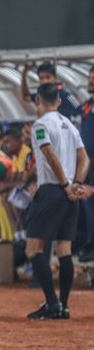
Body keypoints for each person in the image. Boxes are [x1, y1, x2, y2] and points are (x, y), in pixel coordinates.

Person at [26, 83, 89, 320]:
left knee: (33, 248)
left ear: (38, 101)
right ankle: (63, 305)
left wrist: (64, 184)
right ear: (60, 102)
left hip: (52, 191)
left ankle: (52, 303)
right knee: (64, 250)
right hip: (70, 193)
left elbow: (48, 154)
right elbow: (84, 159)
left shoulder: (40, 124)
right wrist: (77, 184)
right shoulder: (70, 125)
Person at [78, 66, 94, 262]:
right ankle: (90, 241)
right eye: (90, 79)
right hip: (87, 157)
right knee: (87, 202)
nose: (91, 82)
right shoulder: (86, 104)